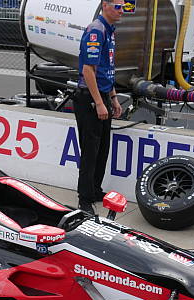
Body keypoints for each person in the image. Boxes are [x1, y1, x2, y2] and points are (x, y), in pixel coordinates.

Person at [74, 1, 123, 214]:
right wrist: (100, 103)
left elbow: (106, 70)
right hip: (90, 99)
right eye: (117, 6)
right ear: (105, 5)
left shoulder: (110, 31)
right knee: (90, 151)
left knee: (102, 149)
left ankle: (94, 190)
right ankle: (84, 199)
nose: (122, 11)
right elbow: (88, 70)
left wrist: (113, 98)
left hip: (102, 95)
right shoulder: (96, 30)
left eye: (124, 7)